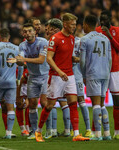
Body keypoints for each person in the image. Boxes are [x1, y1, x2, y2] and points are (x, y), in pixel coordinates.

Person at [35, 13, 89, 142]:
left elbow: (66, 57)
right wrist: (59, 71)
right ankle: (38, 132)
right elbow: (49, 58)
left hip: (69, 75)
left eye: (75, 25)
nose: (74, 27)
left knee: (73, 103)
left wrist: (78, 59)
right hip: (56, 76)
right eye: (72, 25)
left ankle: (76, 134)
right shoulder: (55, 38)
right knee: (49, 106)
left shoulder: (71, 38)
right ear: (65, 24)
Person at [9, 23, 49, 140]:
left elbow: (41, 60)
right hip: (33, 77)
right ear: (23, 34)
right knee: (32, 104)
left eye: (29, 31)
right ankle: (33, 131)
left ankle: (50, 130)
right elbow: (21, 61)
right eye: (25, 31)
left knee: (45, 103)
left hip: (45, 76)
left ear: (35, 32)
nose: (27, 33)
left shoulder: (43, 42)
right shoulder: (22, 45)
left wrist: (24, 59)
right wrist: (18, 61)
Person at [80, 15, 112, 141]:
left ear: (87, 24)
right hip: (105, 73)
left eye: (83, 24)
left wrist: (83, 75)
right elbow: (110, 60)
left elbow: (82, 61)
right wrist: (107, 73)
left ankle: (97, 134)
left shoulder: (85, 39)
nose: (82, 27)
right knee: (102, 104)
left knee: (96, 104)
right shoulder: (106, 38)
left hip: (93, 73)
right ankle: (107, 134)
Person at [96, 10, 119, 140]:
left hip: (114, 70)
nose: (102, 21)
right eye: (101, 19)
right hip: (100, 70)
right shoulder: (96, 31)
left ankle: (117, 132)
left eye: (105, 19)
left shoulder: (118, 30)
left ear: (110, 18)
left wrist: (109, 35)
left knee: (117, 101)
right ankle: (96, 132)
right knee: (98, 102)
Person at [71, 33, 91, 137]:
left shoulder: (79, 41)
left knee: (81, 100)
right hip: (65, 74)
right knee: (69, 101)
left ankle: (88, 129)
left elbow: (85, 58)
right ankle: (70, 129)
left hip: (77, 74)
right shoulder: (61, 40)